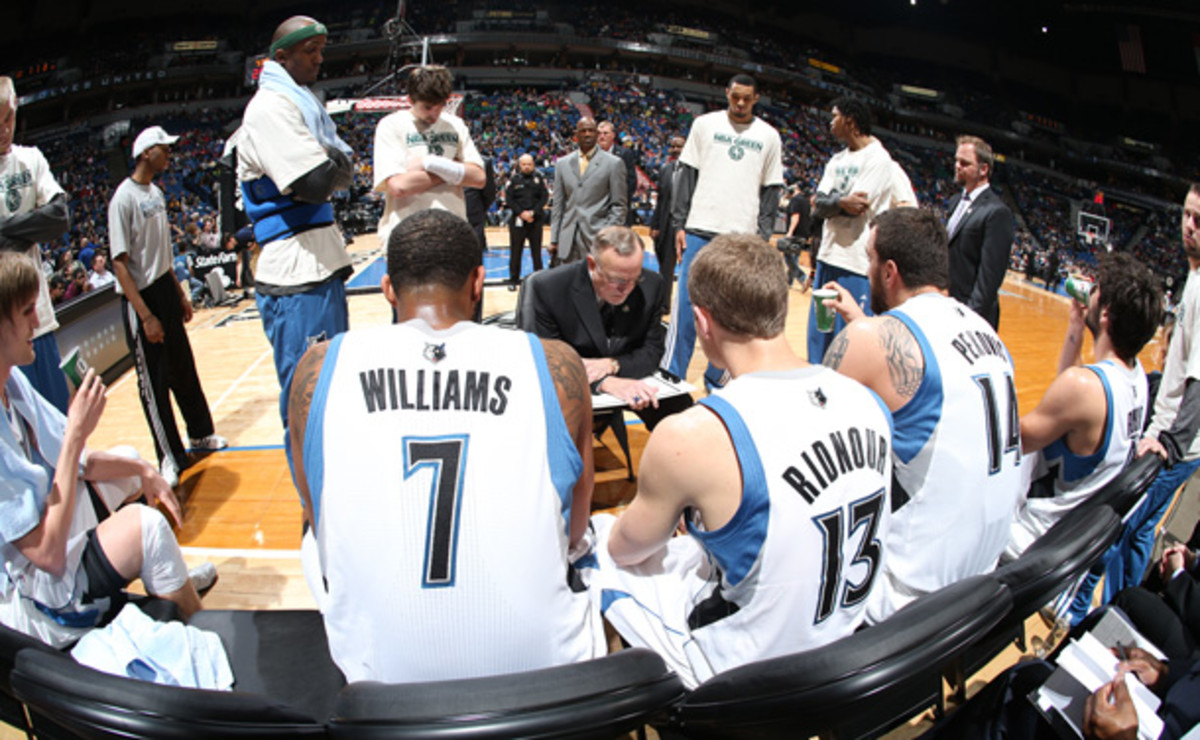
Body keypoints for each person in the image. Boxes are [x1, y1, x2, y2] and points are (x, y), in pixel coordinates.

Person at [287, 209, 604, 683]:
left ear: (388, 288)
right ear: (479, 282)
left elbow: (317, 513)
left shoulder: (318, 366)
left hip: (377, 683)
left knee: (311, 533)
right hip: (542, 680)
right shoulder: (554, 361)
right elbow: (576, 525)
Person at [591, 233, 893, 689]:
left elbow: (626, 550)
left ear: (701, 322)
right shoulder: (867, 400)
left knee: (600, 545)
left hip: (751, 670)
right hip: (847, 643)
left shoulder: (695, 431)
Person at [0, 251, 212, 648]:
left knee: (130, 461)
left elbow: (78, 460)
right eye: (27, 311)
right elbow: (46, 555)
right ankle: (202, 635)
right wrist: (77, 433)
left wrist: (146, 470)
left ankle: (170, 575)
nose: (37, 321)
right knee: (146, 527)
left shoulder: (12, 384)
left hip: (46, 546)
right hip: (33, 598)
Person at [821, 207, 1021, 622]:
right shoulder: (989, 335)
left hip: (907, 593)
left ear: (889, 271)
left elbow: (806, 433)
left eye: (871, 258)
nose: (869, 267)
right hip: (982, 581)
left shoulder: (871, 339)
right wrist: (863, 323)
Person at [234, 15, 355, 444]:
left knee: (335, 391)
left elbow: (345, 169)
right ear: (280, 57)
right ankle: (312, 509)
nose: (320, 60)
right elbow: (319, 182)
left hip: (319, 264)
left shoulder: (302, 103)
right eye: (311, 52)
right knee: (309, 400)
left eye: (322, 50)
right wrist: (330, 162)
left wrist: (330, 162)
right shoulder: (270, 107)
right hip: (294, 271)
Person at [1087, 184, 1200, 618]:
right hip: (1180, 440)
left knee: (1120, 529)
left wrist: (1169, 445)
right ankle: (1124, 616)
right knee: (1139, 533)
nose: (1189, 226)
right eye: (1187, 215)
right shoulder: (1192, 274)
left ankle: (1100, 618)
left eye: (1199, 220)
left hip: (1177, 442)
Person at [1008, 252, 1161, 558]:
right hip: (1065, 539)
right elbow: (1072, 410)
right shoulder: (1136, 382)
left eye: (1097, 289)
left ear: (1106, 314)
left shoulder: (1085, 388)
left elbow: (1011, 441)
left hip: (1022, 534)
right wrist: (1076, 328)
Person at [109, 126, 226, 487]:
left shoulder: (157, 193)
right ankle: (169, 455)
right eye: (164, 148)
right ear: (146, 153)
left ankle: (200, 434)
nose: (169, 154)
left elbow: (163, 254)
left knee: (183, 367)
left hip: (163, 287)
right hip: (140, 297)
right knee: (155, 382)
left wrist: (177, 293)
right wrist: (146, 315)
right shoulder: (122, 199)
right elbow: (119, 263)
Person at [661, 74, 784, 390]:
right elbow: (686, 175)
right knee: (687, 305)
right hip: (700, 227)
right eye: (735, 97)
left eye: (747, 98)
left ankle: (719, 377)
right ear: (727, 93)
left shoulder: (769, 136)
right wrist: (679, 224)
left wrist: (763, 236)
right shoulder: (704, 124)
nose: (740, 103)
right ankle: (672, 374)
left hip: (741, 237)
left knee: (734, 310)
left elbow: (771, 190)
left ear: (756, 98)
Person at [526, 225, 692, 429]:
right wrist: (604, 383)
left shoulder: (651, 285)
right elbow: (548, 360)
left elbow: (653, 351)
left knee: (682, 414)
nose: (628, 289)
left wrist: (613, 365)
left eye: (634, 278)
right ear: (592, 264)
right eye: (617, 280)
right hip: (572, 382)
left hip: (627, 372)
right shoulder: (550, 287)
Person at [808, 97, 916, 365]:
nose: (830, 122)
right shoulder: (836, 159)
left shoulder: (880, 160)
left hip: (856, 263)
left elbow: (857, 206)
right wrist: (838, 203)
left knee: (849, 337)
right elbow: (819, 205)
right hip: (828, 254)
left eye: (834, 117)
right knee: (818, 334)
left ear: (850, 120)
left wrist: (834, 202)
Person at [0, 76, 71, 414]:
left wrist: (6, 231)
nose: (3, 130)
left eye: (8, 119)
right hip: (3, 327)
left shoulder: (30, 158)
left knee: (58, 420)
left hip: (38, 319)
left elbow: (58, 217)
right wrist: (30, 227)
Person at [373, 64, 486, 248]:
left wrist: (430, 163)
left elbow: (479, 178)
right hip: (408, 237)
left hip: (453, 234)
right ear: (410, 99)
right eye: (427, 107)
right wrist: (454, 170)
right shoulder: (391, 125)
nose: (434, 114)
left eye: (440, 106)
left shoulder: (455, 124)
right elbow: (400, 186)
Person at [946, 135, 1015, 330]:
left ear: (983, 169)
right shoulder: (954, 202)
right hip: (947, 308)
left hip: (970, 317)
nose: (957, 166)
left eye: (965, 163)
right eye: (956, 161)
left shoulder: (997, 212)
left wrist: (967, 319)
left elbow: (989, 279)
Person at [549, 117, 627, 265]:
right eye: (583, 131)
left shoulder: (614, 163)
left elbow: (619, 205)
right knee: (568, 286)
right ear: (576, 134)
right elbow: (558, 205)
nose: (587, 134)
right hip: (568, 240)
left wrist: (607, 234)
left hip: (597, 238)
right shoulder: (562, 164)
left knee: (596, 286)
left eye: (591, 130)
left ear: (597, 135)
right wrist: (554, 238)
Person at [649, 135, 684, 309]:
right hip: (665, 223)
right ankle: (664, 303)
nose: (676, 149)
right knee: (665, 265)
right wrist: (654, 224)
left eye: (680, 146)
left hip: (685, 225)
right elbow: (661, 200)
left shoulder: (696, 171)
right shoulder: (665, 170)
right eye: (673, 146)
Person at [504, 153, 549, 288]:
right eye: (524, 164)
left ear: (533, 165)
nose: (527, 167)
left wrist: (533, 212)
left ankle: (539, 281)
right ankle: (513, 280)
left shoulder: (539, 179)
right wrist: (521, 213)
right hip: (518, 221)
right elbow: (509, 199)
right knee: (516, 252)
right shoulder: (514, 180)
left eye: (529, 164)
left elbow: (544, 197)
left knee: (537, 252)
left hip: (535, 221)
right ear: (519, 165)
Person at [597, 121, 638, 226]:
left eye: (605, 133)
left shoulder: (624, 154)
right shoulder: (590, 155)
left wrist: (618, 204)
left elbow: (631, 182)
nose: (602, 136)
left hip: (618, 211)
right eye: (599, 133)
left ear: (613, 135)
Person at [781, 184, 811, 289]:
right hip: (804, 234)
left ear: (797, 188)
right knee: (795, 258)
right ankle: (788, 283)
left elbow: (796, 216)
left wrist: (790, 232)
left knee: (788, 257)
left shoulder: (795, 200)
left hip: (795, 234)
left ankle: (802, 277)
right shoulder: (806, 201)